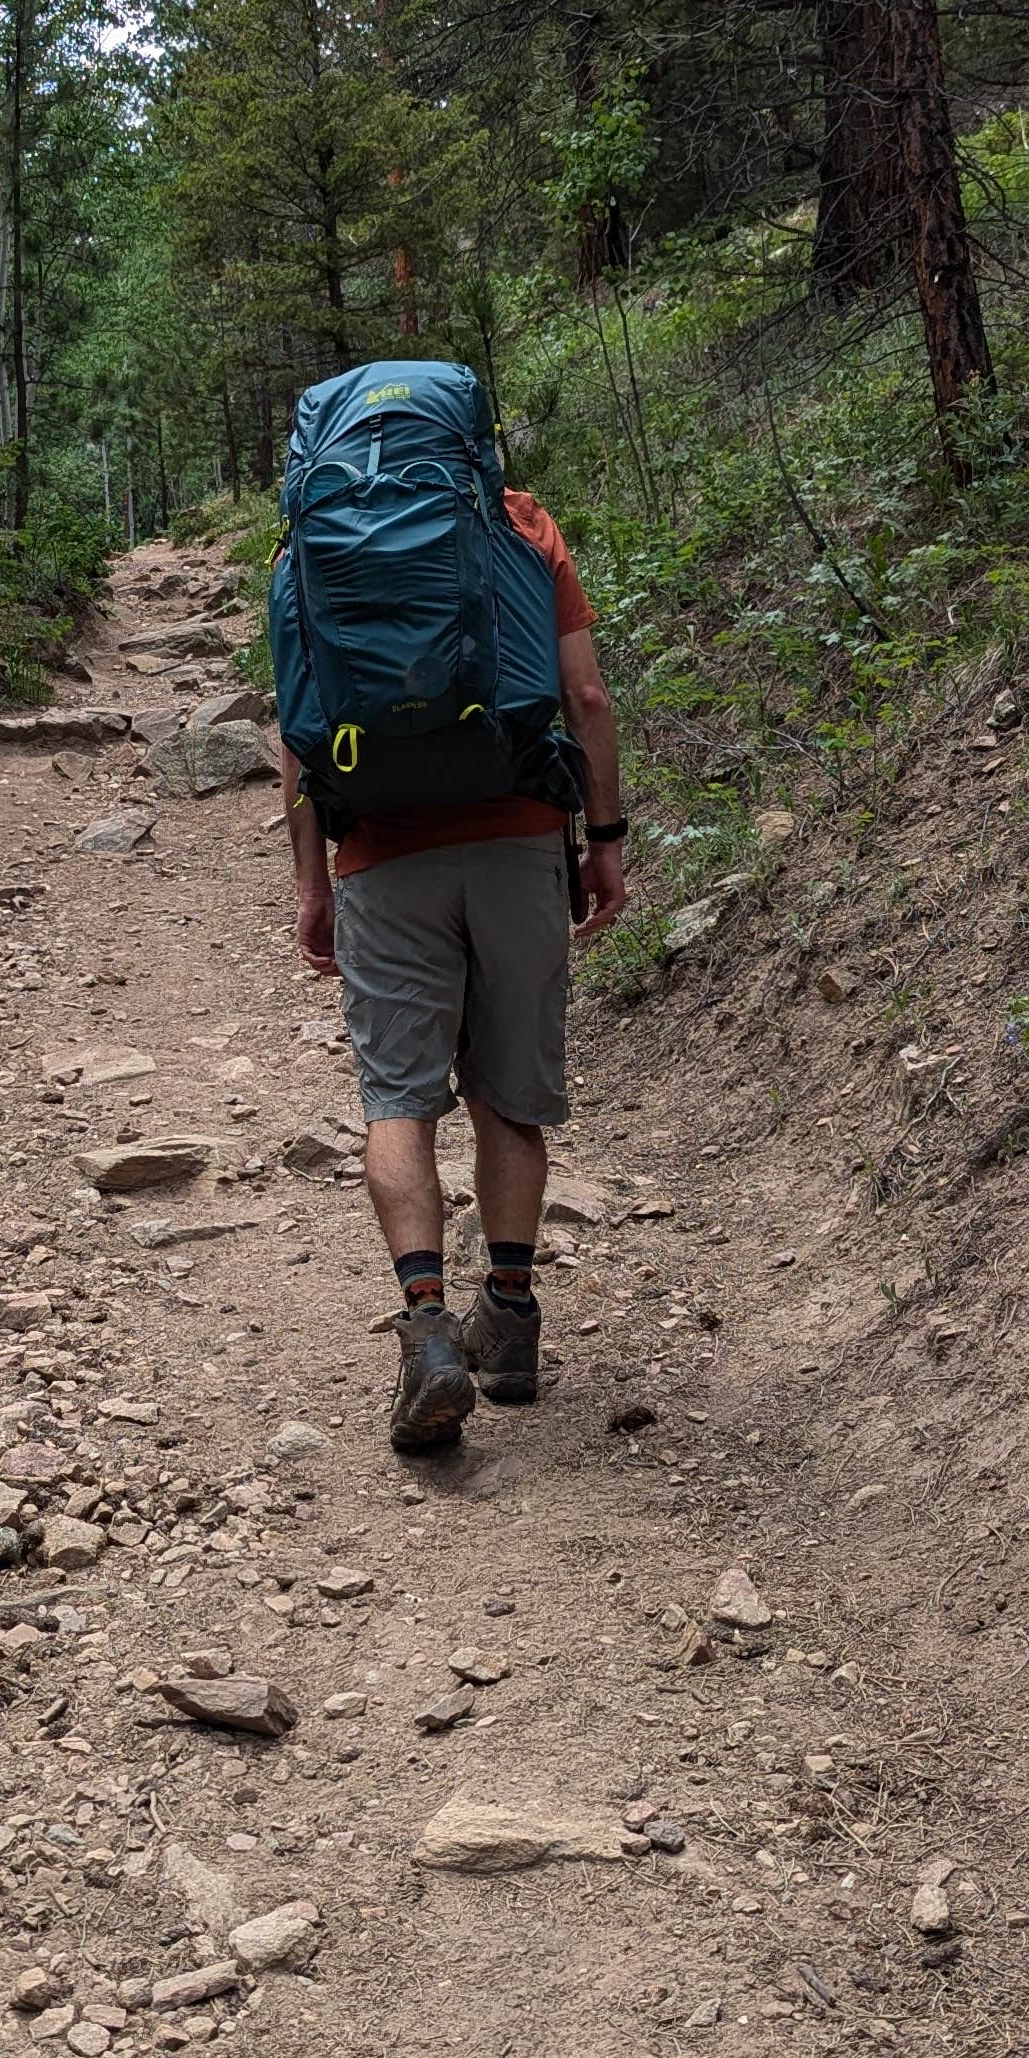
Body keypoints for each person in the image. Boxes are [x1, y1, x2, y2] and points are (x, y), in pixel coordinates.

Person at [281, 476, 627, 1450]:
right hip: (521, 833)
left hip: (385, 852)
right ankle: (510, 1321)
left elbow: (301, 736)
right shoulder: (521, 522)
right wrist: (604, 837)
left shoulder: (311, 538)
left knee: (398, 1100)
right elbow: (587, 694)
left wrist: (311, 884)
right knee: (508, 1096)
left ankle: (427, 1329)